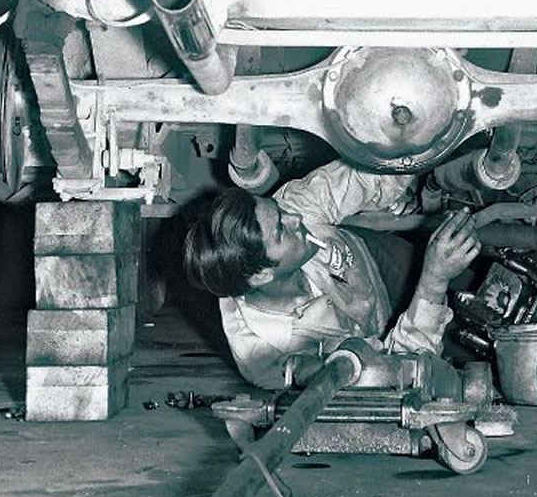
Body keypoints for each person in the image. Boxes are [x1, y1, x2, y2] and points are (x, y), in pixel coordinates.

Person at [184, 160, 481, 389]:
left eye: (279, 210)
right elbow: (393, 374)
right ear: (262, 275)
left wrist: (410, 147)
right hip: (384, 343)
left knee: (484, 292)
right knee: (474, 358)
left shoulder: (292, 209)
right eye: (281, 230)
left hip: (379, 263)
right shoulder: (268, 358)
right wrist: (434, 281)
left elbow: (366, 175)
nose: (294, 218)